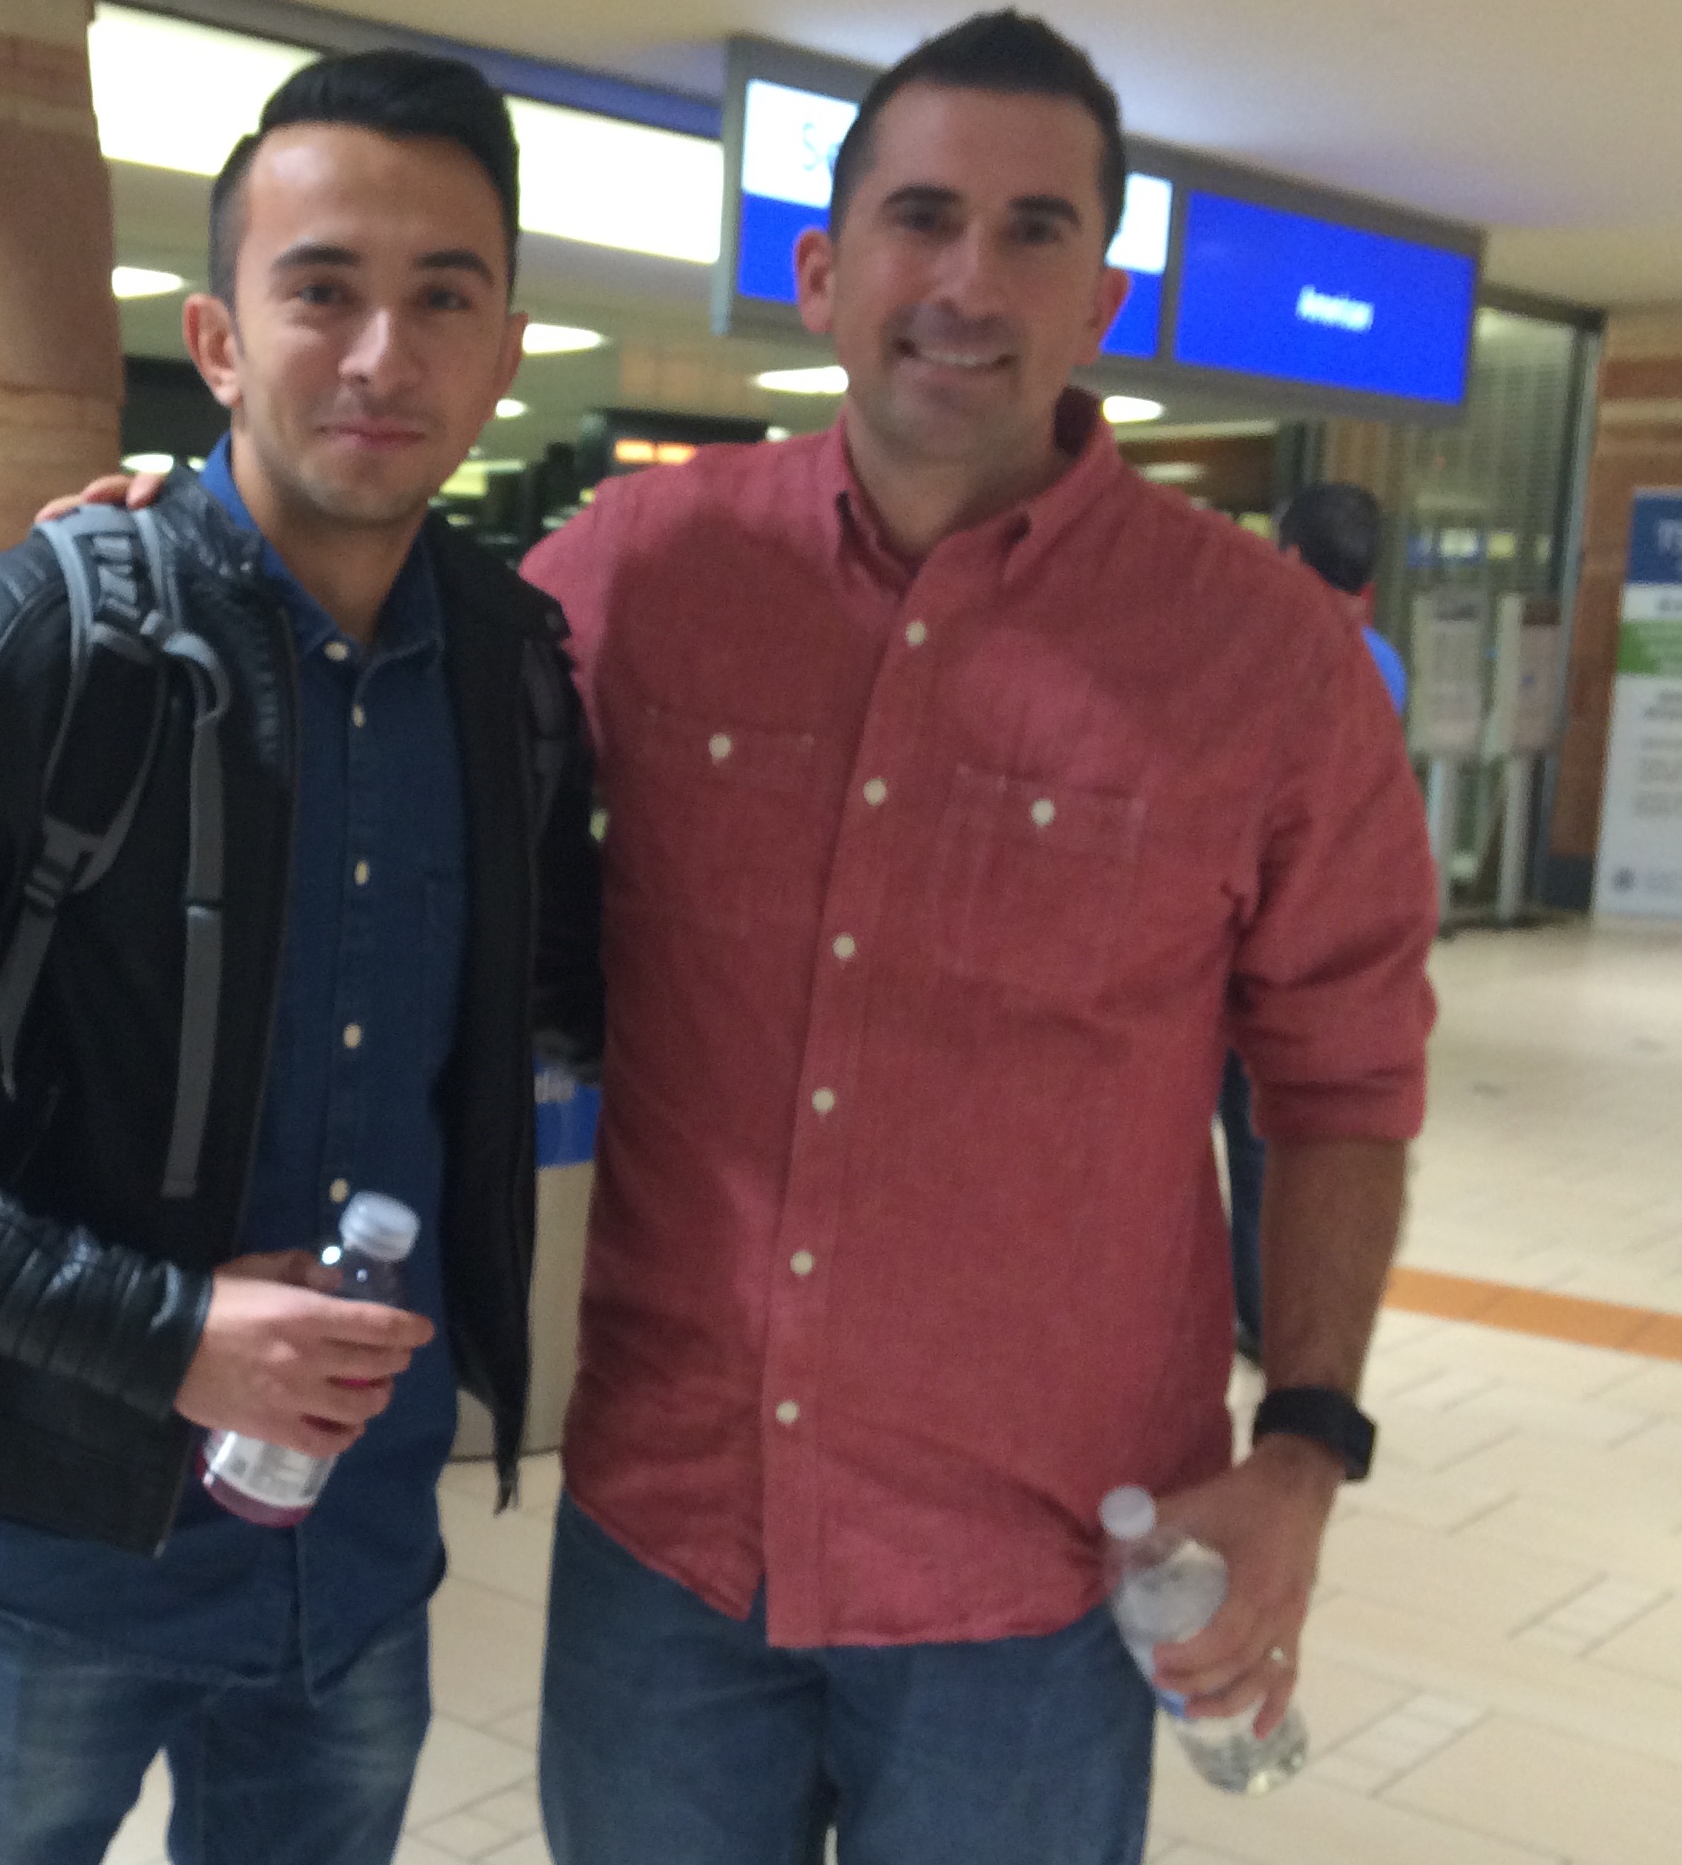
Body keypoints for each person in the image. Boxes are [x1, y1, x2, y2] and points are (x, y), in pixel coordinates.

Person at [512, 16, 1434, 1860]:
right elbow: (373, 711)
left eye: (1031, 230)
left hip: (1032, 1574)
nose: (965, 280)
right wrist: (184, 564)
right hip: (668, 1540)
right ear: (817, 269)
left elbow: (1342, 1079)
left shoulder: (1264, 662)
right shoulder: (640, 566)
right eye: (918, 216)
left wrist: (1303, 1446)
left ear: (1101, 289)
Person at [0, 49, 599, 1865]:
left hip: (354, 1554)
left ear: (505, 351)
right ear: (213, 337)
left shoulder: (514, 673)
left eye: (443, 299)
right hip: (49, 1540)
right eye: (320, 290)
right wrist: (168, 1330)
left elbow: (560, 1007)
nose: (380, 355)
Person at [1217, 480, 1413, 1358]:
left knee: (1229, 1133)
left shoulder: (1269, 657)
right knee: (1284, 1132)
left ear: (1290, 556)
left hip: (1239, 944)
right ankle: (1268, 1315)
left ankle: (1249, 1308)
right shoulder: (1386, 662)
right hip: (1338, 933)